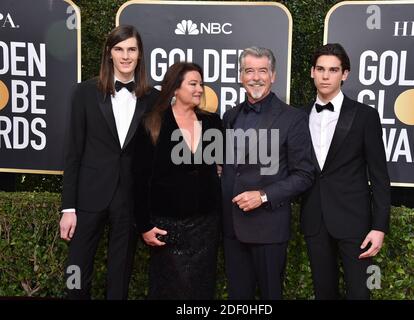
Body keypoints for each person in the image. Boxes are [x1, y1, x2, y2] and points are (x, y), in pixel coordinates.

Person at [59, 25, 159, 299]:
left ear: (139, 55)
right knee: (76, 267)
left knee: (120, 270)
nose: (125, 56)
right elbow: (73, 152)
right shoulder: (84, 93)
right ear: (109, 53)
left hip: (128, 196)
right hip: (89, 195)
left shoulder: (154, 98)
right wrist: (68, 207)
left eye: (131, 50)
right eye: (119, 49)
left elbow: (156, 155)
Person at [221, 47, 315, 299]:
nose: (256, 77)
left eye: (263, 70)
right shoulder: (229, 117)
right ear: (240, 76)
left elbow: (304, 174)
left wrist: (262, 195)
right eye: (249, 71)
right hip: (231, 227)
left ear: (273, 76)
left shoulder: (292, 118)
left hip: (268, 228)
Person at [300, 43, 391, 299]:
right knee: (324, 293)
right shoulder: (298, 116)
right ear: (312, 72)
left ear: (345, 74)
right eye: (320, 69)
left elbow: (380, 176)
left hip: (355, 222)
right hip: (315, 219)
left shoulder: (365, 116)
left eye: (333, 69)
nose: (326, 76)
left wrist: (379, 227)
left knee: (360, 293)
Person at [132, 62, 222, 300]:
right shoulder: (152, 123)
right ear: (174, 89)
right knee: (168, 289)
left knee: (201, 289)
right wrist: (144, 226)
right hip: (166, 225)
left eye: (200, 84)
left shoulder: (213, 122)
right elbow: (139, 180)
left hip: (206, 224)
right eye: (193, 84)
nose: (200, 89)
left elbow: (221, 167)